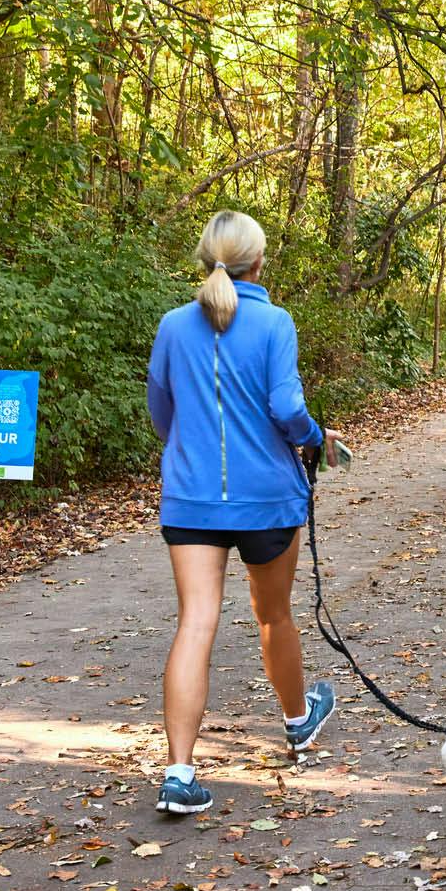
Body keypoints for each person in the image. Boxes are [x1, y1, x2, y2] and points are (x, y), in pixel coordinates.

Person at [145, 210, 344, 815]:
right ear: (260, 262)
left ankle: (180, 773)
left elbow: (161, 410)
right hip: (267, 500)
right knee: (274, 616)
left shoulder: (174, 326)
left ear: (207, 261)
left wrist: (188, 450)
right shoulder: (274, 322)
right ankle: (296, 718)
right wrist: (314, 438)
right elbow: (286, 406)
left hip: (192, 498)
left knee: (195, 621)